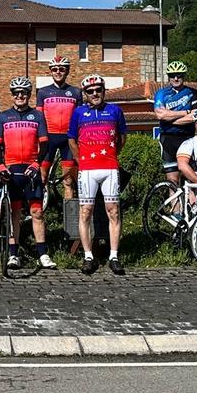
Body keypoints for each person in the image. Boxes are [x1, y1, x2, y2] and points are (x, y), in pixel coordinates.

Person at [0, 76, 54, 271]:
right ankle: (13, 254)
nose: (20, 96)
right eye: (17, 93)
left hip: (30, 168)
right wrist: (1, 166)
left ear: (28, 95)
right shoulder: (3, 117)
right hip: (11, 170)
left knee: (37, 211)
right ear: (12, 95)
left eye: (24, 93)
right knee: (14, 213)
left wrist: (37, 164)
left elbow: (45, 143)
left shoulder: (37, 116)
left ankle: (43, 254)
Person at [68, 74, 128, 275]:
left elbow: (122, 138)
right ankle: (88, 256)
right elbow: (72, 141)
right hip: (87, 170)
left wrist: (112, 155)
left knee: (114, 211)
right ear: (85, 94)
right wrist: (81, 161)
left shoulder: (115, 111)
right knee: (86, 212)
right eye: (90, 91)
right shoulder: (78, 113)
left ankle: (114, 256)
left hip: (110, 167)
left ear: (104, 91)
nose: (95, 94)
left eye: (98, 90)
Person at [37, 55, 82, 201]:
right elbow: (39, 118)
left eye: (61, 69)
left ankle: (69, 217)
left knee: (68, 181)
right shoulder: (43, 92)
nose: (58, 72)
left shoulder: (76, 92)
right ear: (50, 71)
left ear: (67, 71)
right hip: (48, 138)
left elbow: (79, 118)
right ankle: (39, 214)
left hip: (68, 140)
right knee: (41, 177)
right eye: (54, 69)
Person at [154, 61, 197, 185]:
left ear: (183, 76)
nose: (176, 78)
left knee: (191, 178)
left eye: (179, 75)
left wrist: (169, 118)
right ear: (168, 77)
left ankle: (192, 204)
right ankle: (175, 205)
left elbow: (195, 116)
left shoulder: (192, 92)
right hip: (168, 139)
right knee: (173, 180)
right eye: (172, 75)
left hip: (188, 138)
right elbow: (160, 115)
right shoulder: (161, 93)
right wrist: (186, 112)